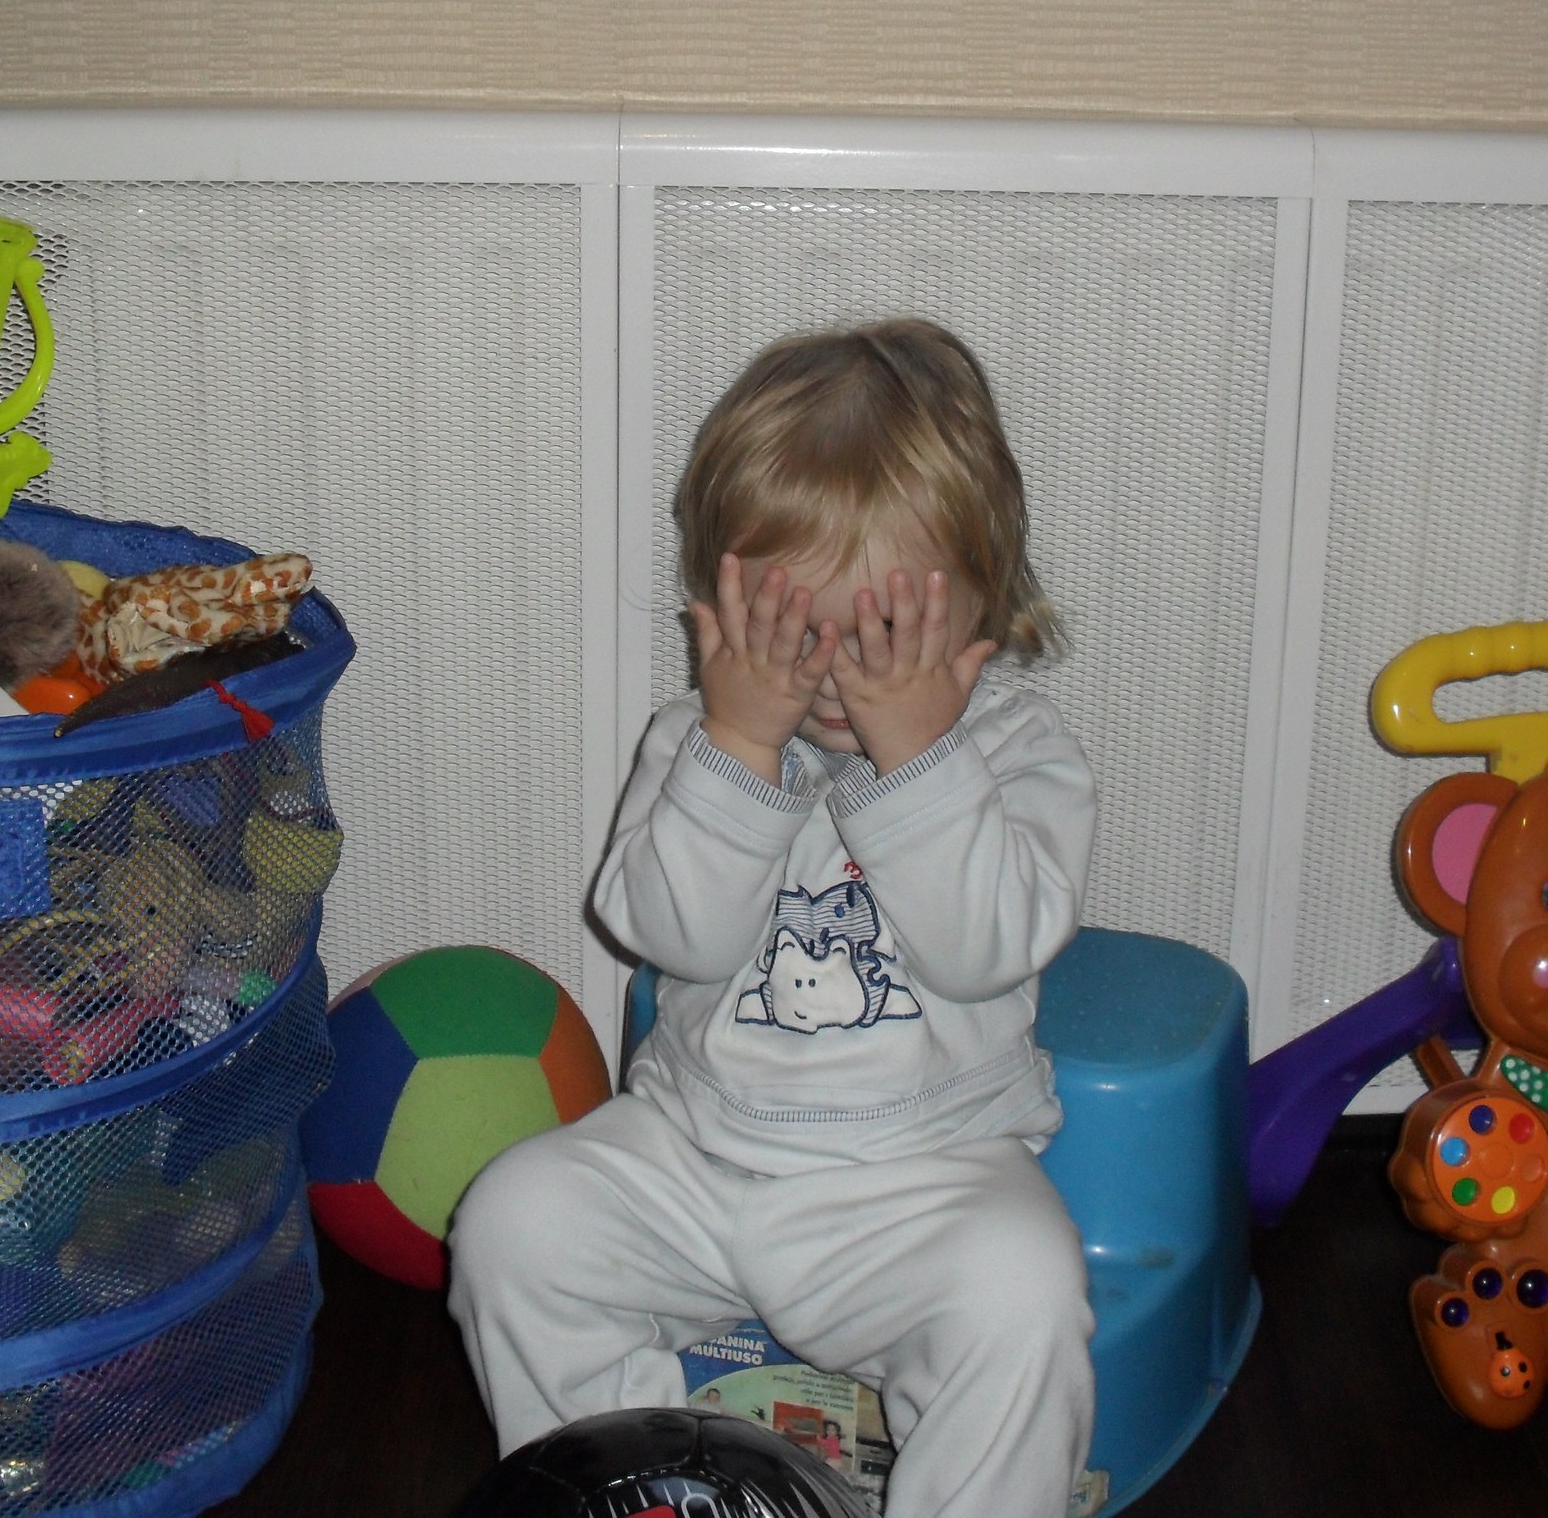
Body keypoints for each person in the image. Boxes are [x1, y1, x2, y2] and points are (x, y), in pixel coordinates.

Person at [450, 319, 1097, 1518]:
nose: (841, 672)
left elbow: (982, 951)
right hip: (691, 1151)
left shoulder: (1016, 754)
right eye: (797, 632)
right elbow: (674, 940)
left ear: (984, 607)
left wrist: (920, 763)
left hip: (921, 1179)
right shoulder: (700, 744)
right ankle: (622, 1487)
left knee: (1025, 1292)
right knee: (514, 1223)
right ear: (719, 610)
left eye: (888, 634)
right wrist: (740, 746)